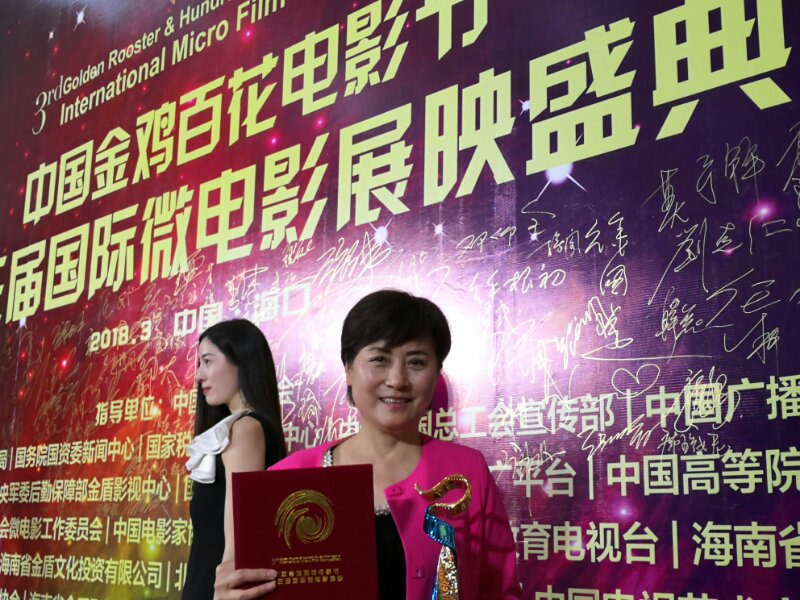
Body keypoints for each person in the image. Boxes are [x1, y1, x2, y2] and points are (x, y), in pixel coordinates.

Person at [213, 291, 521, 600]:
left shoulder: (467, 472)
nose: (397, 380)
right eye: (379, 359)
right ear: (348, 369)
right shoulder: (286, 477)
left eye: (416, 362)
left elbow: (500, 591)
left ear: (436, 373)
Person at [183, 319, 287, 600]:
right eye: (199, 364)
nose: (199, 375)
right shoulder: (243, 427)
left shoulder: (246, 429)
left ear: (241, 360)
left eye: (207, 361)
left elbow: (238, 547)